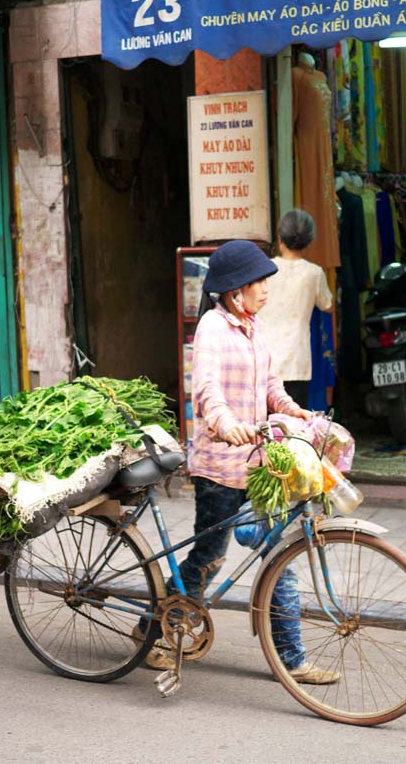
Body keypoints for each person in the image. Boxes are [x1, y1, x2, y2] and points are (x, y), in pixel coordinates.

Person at [143, 240, 340, 685]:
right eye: (260, 283)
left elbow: (271, 384)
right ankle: (155, 633)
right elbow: (206, 388)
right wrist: (224, 423)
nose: (266, 290)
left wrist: (297, 412)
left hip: (256, 462)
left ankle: (293, 661)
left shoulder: (253, 327)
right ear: (235, 291)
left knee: (281, 553)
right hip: (219, 464)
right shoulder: (213, 327)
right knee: (209, 557)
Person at [257, 209, 334, 407]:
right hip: (296, 359)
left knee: (265, 422)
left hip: (264, 356)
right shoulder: (314, 273)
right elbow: (327, 305)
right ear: (309, 242)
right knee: (294, 423)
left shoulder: (265, 268)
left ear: (279, 238)